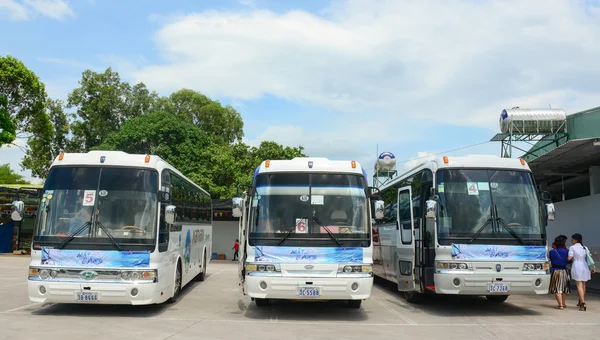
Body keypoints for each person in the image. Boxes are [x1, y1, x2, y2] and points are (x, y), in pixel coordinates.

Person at [568, 233, 596, 311]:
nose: (571, 240)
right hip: (585, 266)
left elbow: (569, 258)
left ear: (575, 240)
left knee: (579, 285)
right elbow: (589, 258)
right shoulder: (585, 247)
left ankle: (583, 302)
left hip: (577, 266)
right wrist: (592, 267)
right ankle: (581, 300)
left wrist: (566, 259)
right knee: (583, 283)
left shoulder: (572, 247)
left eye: (572, 239)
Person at [548, 235, 570, 309]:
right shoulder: (567, 251)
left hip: (555, 271)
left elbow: (550, 260)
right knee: (564, 289)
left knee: (557, 289)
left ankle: (560, 305)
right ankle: (563, 303)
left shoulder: (552, 252)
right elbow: (569, 261)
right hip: (565, 271)